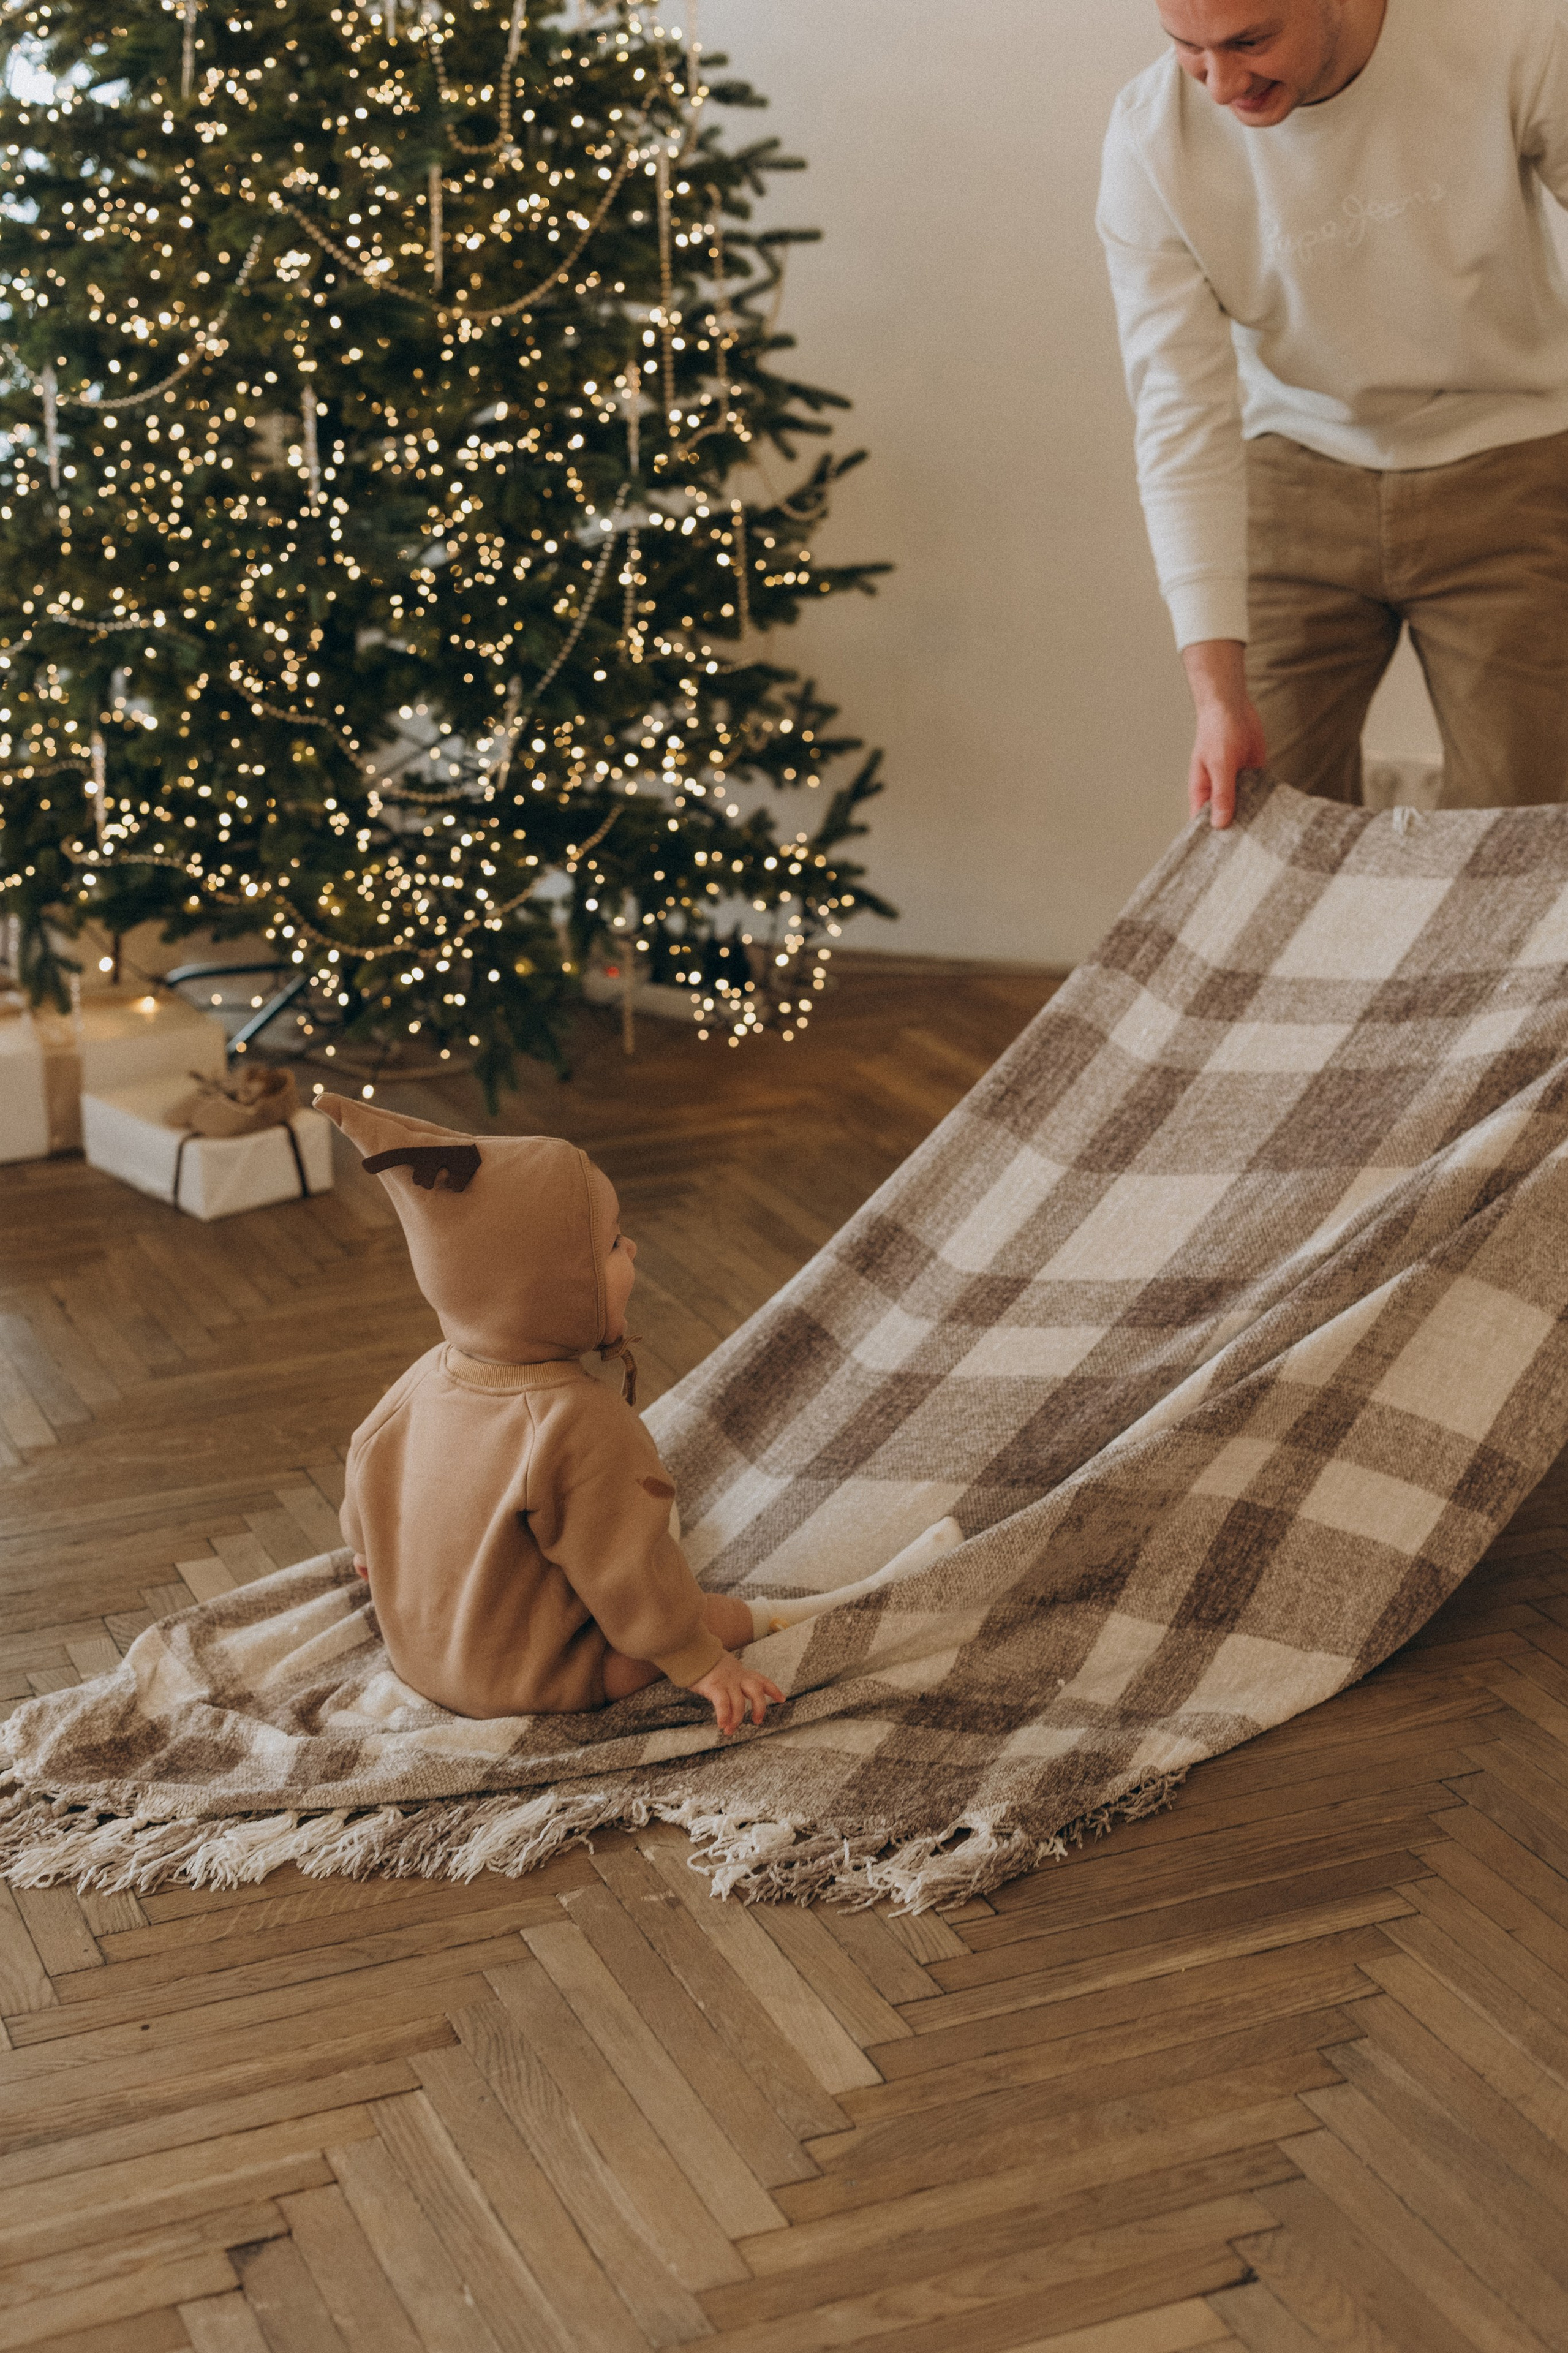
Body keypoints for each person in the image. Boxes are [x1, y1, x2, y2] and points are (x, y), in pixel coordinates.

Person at [1098, 0, 1568, 828]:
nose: (1222, 84)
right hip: (1293, 472)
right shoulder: (1150, 142)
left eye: (1250, 42)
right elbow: (1179, 417)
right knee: (1256, 831)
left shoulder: (1507, 33)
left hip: (1509, 465)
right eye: (1188, 49)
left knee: (1520, 843)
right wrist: (1216, 696)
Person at [317, 1093, 785, 1736]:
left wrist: (368, 1547)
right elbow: (627, 1572)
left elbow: (365, 1467)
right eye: (614, 1244)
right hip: (535, 1682)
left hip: (419, 1659)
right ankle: (778, 1617)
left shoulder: (423, 1377)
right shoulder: (580, 1421)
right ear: (551, 1290)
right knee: (676, 1616)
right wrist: (699, 1660)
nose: (635, 1249)